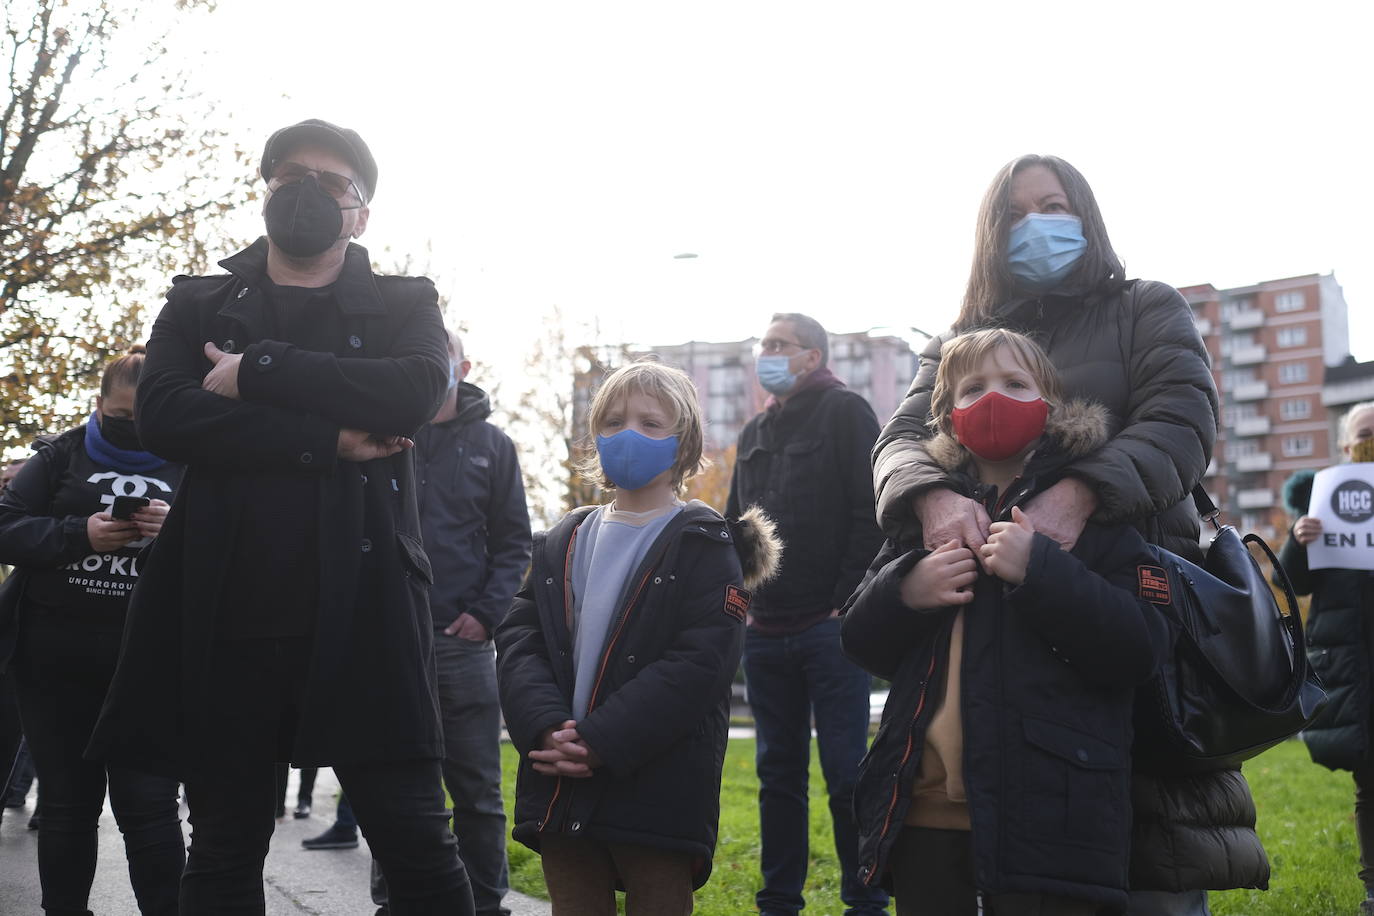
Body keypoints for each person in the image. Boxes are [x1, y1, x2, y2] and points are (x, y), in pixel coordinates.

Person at [86, 119, 475, 915]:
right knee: (225, 846)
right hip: (229, 610)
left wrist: (256, 369)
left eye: (333, 183)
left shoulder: (407, 302)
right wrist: (327, 437)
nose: (309, 191)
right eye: (290, 174)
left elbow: (411, 392)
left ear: (360, 213)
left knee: (417, 843)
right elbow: (166, 414)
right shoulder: (196, 302)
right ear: (264, 189)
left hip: (367, 611)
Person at [871, 154, 1268, 912]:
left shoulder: (1147, 308)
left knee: (1152, 850)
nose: (1036, 225)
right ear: (991, 234)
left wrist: (1082, 493)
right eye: (1015, 214)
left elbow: (1184, 420)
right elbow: (898, 442)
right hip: (1001, 634)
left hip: (1129, 597)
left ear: (1085, 217)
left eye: (1052, 205)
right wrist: (927, 501)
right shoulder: (957, 339)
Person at [842, 328, 1168, 914]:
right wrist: (906, 590)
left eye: (1015, 383)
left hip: (1049, 816)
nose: (993, 399)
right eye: (972, 389)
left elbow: (1139, 648)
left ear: (1051, 404)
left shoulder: (1090, 514)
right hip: (922, 812)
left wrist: (1040, 571)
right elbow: (858, 637)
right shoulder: (926, 517)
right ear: (945, 414)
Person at [497, 360, 780, 915]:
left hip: (656, 782)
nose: (629, 434)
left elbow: (700, 663)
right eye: (614, 421)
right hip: (559, 774)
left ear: (683, 445)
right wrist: (546, 726)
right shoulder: (563, 539)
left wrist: (603, 741)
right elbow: (520, 638)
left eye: (652, 424)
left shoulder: (704, 543)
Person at [307, 330, 532, 916]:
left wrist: (485, 616)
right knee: (398, 786)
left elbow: (513, 544)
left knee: (478, 791)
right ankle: (396, 903)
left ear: (462, 365)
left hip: (460, 642)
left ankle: (485, 905)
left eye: (443, 359)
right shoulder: (378, 435)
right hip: (389, 638)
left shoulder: (494, 446)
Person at [0, 347, 185, 916]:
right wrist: (78, 535)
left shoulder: (194, 458)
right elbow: (6, 524)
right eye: (121, 416)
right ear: (99, 403)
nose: (134, 428)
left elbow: (240, 550)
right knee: (66, 806)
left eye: (147, 415)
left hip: (150, 665)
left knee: (148, 807)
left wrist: (175, 532)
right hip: (56, 660)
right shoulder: (61, 453)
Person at [725, 312, 889, 916]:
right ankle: (779, 902)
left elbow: (871, 514)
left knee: (847, 773)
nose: (765, 353)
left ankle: (865, 900)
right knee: (777, 775)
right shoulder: (753, 432)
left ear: (813, 357)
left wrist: (843, 604)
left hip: (830, 629)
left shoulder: (846, 413)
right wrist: (738, 603)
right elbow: (735, 528)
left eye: (778, 344)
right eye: (762, 344)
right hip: (764, 634)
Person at [1278, 401, 1374, 912]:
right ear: (1343, 448)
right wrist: (1298, 543)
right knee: (1370, 783)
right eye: (1363, 434)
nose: (1369, 442)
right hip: (1355, 667)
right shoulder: (1321, 510)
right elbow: (1289, 584)